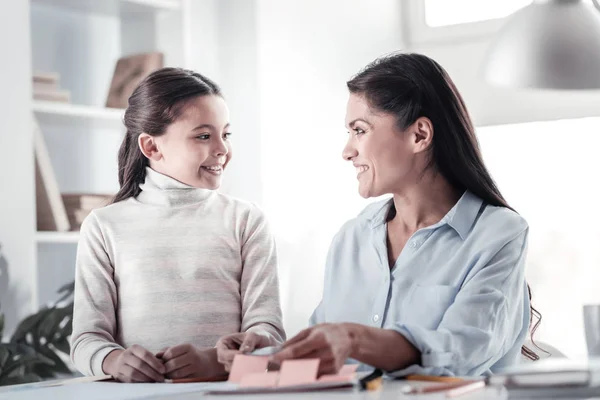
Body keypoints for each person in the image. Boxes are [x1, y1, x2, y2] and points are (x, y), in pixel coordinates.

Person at [221, 52, 539, 376]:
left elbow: (462, 352)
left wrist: (354, 339)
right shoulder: (352, 238)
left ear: (419, 135)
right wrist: (239, 361)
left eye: (359, 130)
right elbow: (320, 354)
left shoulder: (498, 234)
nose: (347, 151)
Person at [70, 68, 285, 383]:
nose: (222, 149)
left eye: (225, 134)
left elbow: (269, 333)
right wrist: (115, 361)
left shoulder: (246, 220)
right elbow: (86, 340)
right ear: (152, 147)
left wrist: (216, 362)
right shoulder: (104, 226)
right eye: (203, 135)